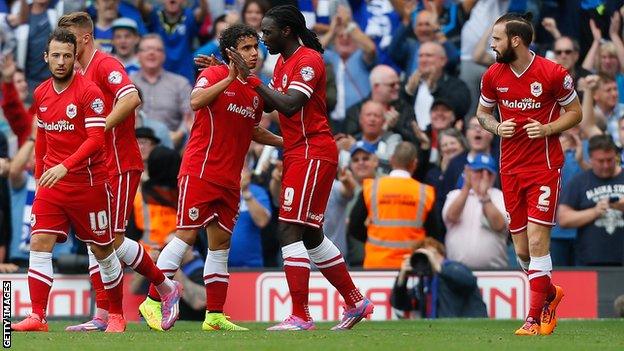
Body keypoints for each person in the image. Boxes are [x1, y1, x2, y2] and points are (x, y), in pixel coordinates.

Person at [227, 5, 374, 331]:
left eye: (267, 32)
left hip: (312, 150)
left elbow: (290, 104)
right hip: (298, 151)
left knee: (289, 228)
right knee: (309, 234)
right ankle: (355, 300)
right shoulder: (281, 62)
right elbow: (268, 100)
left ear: (287, 31)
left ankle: (300, 315)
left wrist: (251, 79)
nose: (263, 39)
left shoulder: (308, 60)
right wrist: (232, 78)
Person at [138, 23, 282, 332]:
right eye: (246, 48)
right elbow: (195, 101)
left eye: (255, 47)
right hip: (201, 170)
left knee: (220, 245)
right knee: (187, 234)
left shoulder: (254, 93)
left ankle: (214, 315)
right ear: (231, 52)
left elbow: (252, 129)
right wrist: (228, 77)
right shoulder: (215, 74)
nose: (253, 53)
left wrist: (285, 142)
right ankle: (151, 301)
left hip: (230, 178)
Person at [57, 12, 181, 333]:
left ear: (84, 38)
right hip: (95, 169)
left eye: (69, 40)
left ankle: (152, 295)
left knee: (109, 240)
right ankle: (103, 314)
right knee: (94, 241)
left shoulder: (106, 65)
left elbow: (131, 97)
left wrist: (98, 129)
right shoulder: (80, 74)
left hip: (120, 163)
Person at [11, 28, 126, 333]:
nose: (61, 61)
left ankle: (116, 314)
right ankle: (37, 316)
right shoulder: (41, 93)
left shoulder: (90, 93)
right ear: (45, 57)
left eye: (67, 56)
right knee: (39, 241)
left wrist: (64, 166)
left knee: (103, 251)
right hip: (53, 185)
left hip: (88, 185)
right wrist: (39, 177)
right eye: (56, 55)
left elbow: (95, 141)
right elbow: (42, 139)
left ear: (76, 59)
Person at [477, 13, 582, 335]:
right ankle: (549, 294)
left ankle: (533, 319)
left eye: (497, 39)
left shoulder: (553, 73)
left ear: (516, 41)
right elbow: (482, 113)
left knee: (538, 242)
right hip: (509, 167)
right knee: (522, 250)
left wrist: (548, 128)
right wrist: (496, 126)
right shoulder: (493, 75)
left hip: (545, 167)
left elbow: (575, 113)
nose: (492, 45)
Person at [347, 142, 436, 269]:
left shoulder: (372, 188)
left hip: (376, 263)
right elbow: (433, 233)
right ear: (414, 163)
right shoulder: (425, 192)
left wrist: (374, 237)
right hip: (411, 264)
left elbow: (354, 226)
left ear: (391, 160)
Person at [558, 135, 624, 266]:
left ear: (616, 156)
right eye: (600, 161)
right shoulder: (579, 182)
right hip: (590, 261)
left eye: (610, 160)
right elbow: (563, 218)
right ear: (591, 159)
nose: (605, 165)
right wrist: (595, 211)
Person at [390, 237, 488, 319]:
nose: (429, 259)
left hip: (467, 331)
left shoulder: (454, 267)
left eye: (431, 254)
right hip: (440, 334)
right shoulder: (425, 283)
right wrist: (402, 278)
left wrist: (438, 268)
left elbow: (468, 282)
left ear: (441, 254)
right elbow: (400, 303)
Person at [442, 153, 508, 269]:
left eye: (488, 173)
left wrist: (484, 197)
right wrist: (466, 187)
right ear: (469, 172)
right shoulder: (455, 195)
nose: (484, 176)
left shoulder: (500, 197)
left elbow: (499, 225)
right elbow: (451, 216)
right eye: (479, 171)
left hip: (495, 273)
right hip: (456, 270)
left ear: (494, 177)